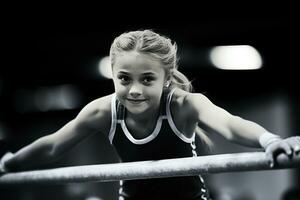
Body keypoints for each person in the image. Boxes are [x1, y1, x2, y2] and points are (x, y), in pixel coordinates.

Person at [1, 29, 300, 200]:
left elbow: (231, 125)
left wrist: (269, 140)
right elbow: (53, 145)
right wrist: (10, 163)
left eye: (147, 79)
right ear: (113, 77)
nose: (134, 90)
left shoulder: (183, 105)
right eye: (124, 79)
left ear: (166, 78)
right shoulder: (102, 111)